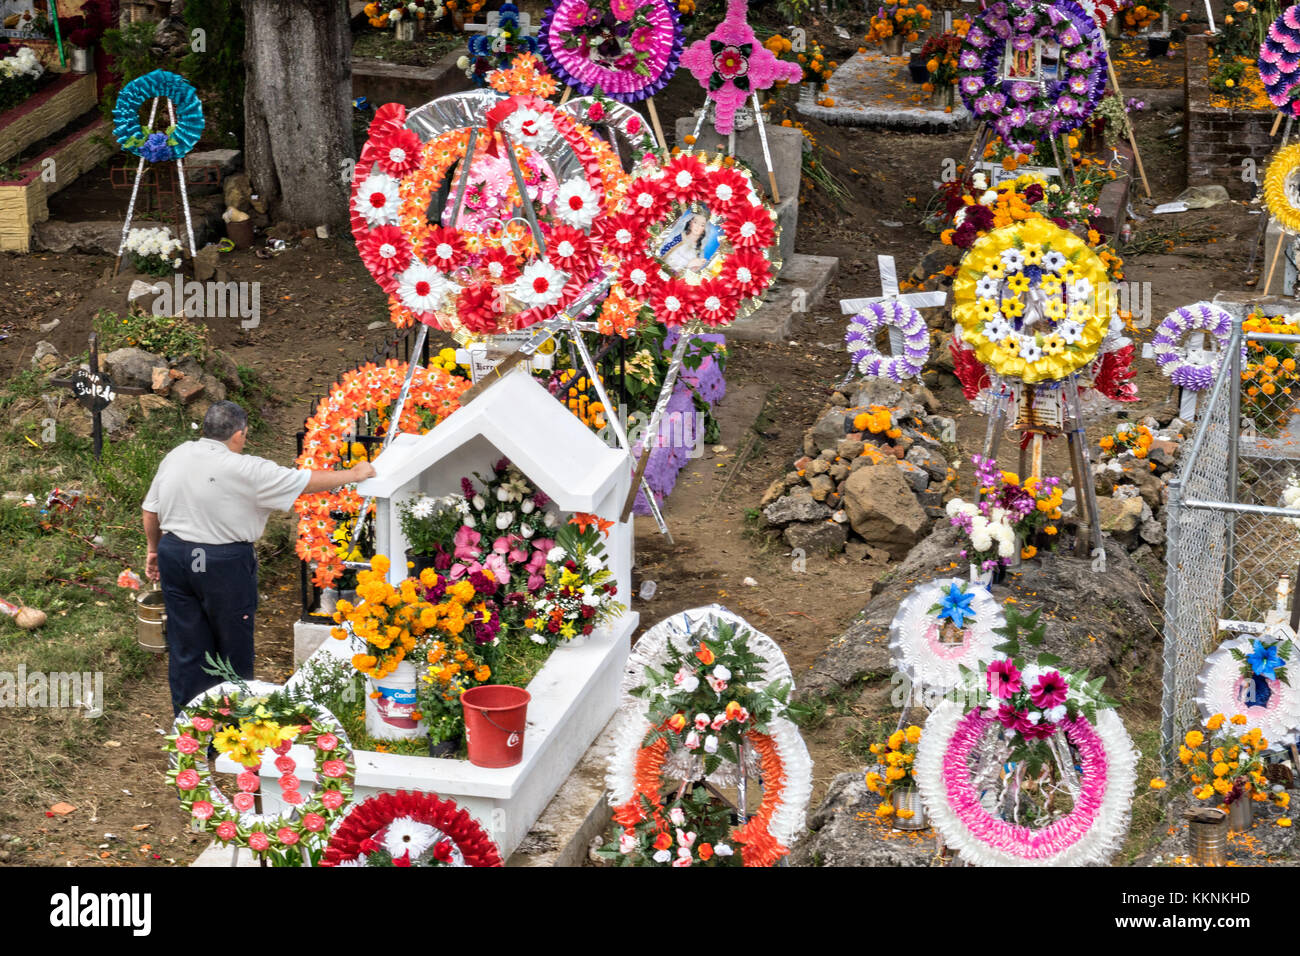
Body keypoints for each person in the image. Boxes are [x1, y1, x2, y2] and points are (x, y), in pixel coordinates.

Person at [142, 401, 376, 715]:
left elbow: (150, 510)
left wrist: (153, 549)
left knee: (186, 645)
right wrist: (355, 473)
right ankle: (235, 727)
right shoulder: (249, 470)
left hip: (176, 554)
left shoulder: (178, 454)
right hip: (222, 562)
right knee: (232, 644)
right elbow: (305, 481)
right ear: (239, 434)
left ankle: (190, 725)